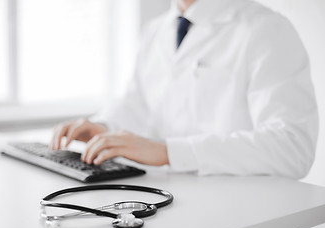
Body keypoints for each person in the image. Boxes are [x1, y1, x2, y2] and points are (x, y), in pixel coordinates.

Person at [50, 0, 318, 179]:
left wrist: (169, 152)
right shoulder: (155, 30)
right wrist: (105, 127)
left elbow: (293, 148)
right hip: (169, 199)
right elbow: (138, 105)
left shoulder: (266, 29)